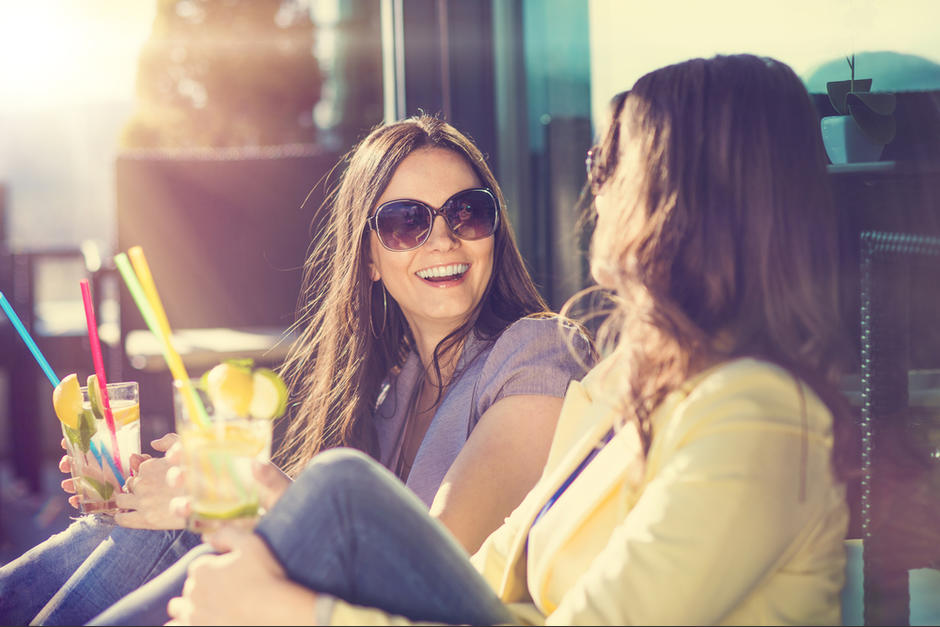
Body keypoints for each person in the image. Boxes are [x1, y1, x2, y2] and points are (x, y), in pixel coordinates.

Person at [95, 53, 858, 626]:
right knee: (300, 502)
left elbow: (455, 564)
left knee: (339, 494)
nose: (596, 185)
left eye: (610, 162)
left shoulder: (755, 417)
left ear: (679, 198)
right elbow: (494, 577)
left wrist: (305, 613)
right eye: (404, 222)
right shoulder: (637, 388)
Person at [0, 115, 593, 625]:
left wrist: (219, 496)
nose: (442, 239)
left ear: (494, 228)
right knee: (145, 522)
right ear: (369, 260)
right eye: (406, 222)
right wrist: (184, 491)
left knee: (190, 522)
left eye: (467, 214)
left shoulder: (539, 349)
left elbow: (431, 556)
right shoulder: (392, 387)